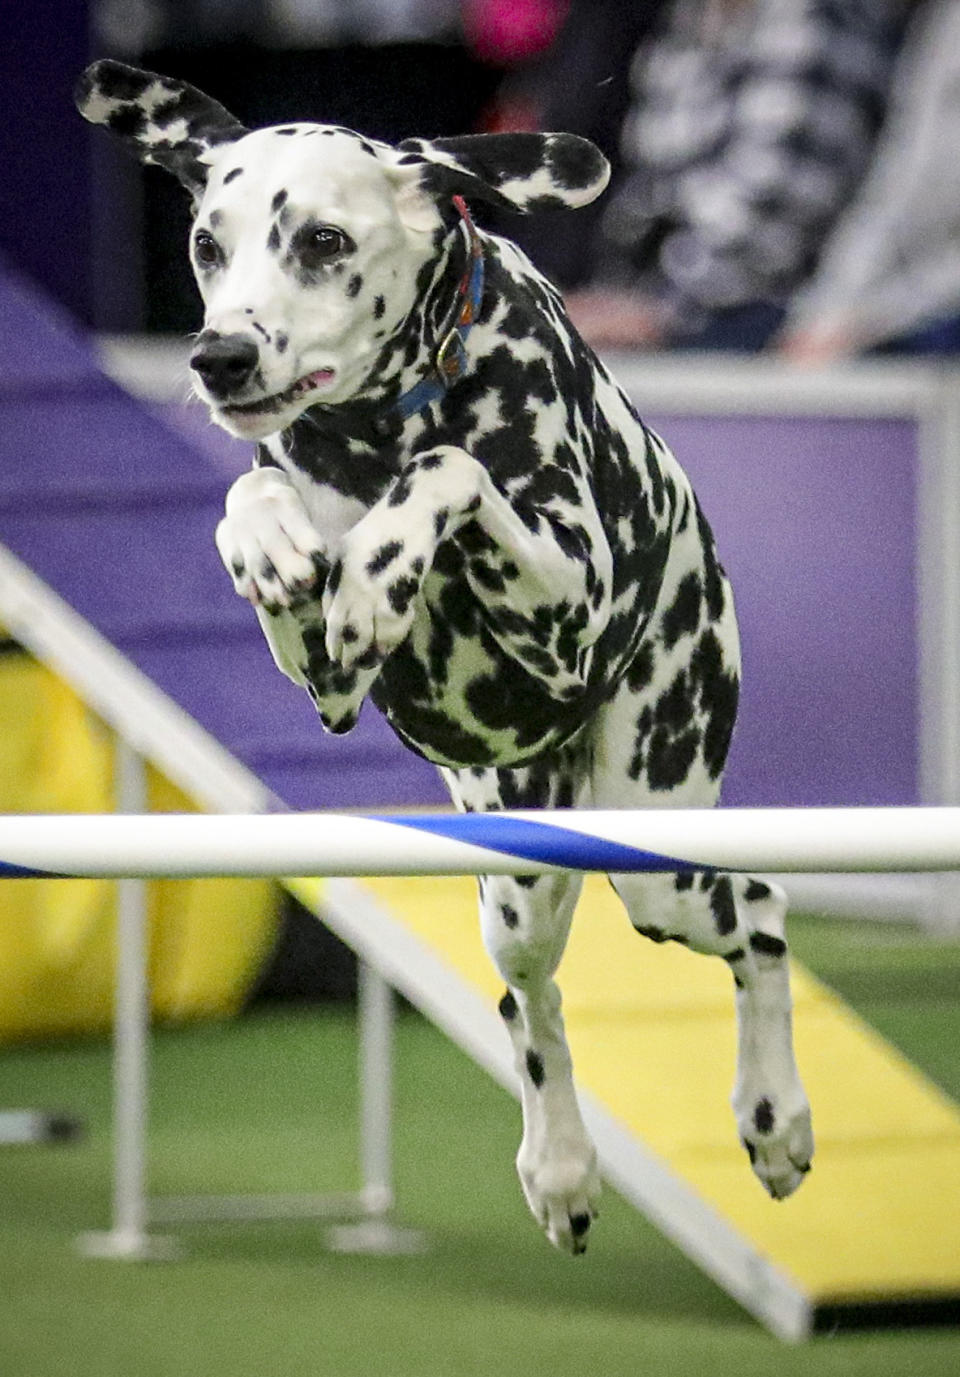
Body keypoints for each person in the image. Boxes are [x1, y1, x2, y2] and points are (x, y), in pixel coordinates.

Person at [562, 0, 908, 352]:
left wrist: (654, 310)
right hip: (678, 306)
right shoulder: (694, 18)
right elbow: (648, 193)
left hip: (765, 327)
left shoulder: (817, 19)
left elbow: (772, 221)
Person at [777, 0, 960, 362]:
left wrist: (877, 319)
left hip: (927, 314)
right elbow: (892, 192)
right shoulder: (944, 23)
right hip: (903, 311)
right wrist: (824, 315)